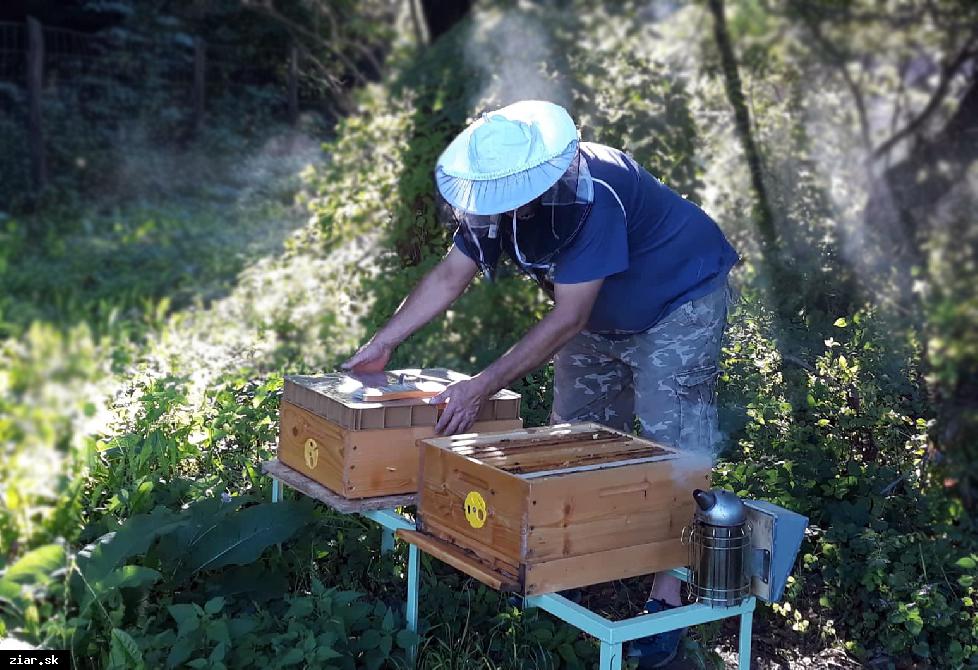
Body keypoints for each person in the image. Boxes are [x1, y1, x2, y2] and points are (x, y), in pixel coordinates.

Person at [342, 99, 738, 668]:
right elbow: (453, 274)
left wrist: (481, 385)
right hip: (596, 316)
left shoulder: (593, 193)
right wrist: (384, 341)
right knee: (575, 436)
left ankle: (666, 593)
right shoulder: (489, 198)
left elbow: (567, 317)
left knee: (671, 446)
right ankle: (578, 559)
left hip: (679, 302)